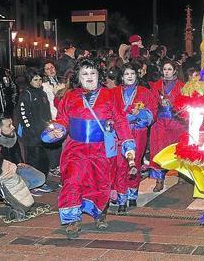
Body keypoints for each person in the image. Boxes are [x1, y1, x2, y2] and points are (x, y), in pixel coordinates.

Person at [42, 59, 136, 239]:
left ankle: (100, 213)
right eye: (85, 74)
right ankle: (72, 219)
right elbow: (62, 120)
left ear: (98, 75)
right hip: (75, 148)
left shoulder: (110, 95)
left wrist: (127, 143)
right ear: (78, 77)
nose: (89, 77)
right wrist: (57, 130)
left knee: (101, 183)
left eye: (92, 73)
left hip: (101, 148)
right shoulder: (69, 96)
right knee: (73, 180)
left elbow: (120, 121)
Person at [112, 63, 157, 213]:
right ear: (121, 77)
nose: (129, 76)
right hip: (119, 134)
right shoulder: (113, 92)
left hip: (138, 133)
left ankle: (132, 195)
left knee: (135, 164)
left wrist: (141, 115)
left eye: (132, 73)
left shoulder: (145, 92)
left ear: (137, 75)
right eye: (126, 74)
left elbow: (152, 113)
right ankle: (121, 198)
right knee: (120, 165)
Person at [149, 60, 186, 192]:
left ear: (175, 70)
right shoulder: (156, 85)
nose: (167, 71)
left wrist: (173, 105)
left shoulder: (182, 86)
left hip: (176, 122)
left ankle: (182, 174)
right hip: (160, 123)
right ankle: (159, 180)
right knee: (158, 150)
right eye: (165, 69)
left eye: (169, 69)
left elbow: (184, 105)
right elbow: (151, 103)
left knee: (178, 150)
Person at [16, 68, 53, 193]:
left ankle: (41, 182)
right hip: (31, 136)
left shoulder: (42, 93)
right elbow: (23, 115)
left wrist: (49, 125)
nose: (38, 82)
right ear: (29, 80)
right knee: (33, 160)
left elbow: (47, 112)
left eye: (40, 79)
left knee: (44, 160)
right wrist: (31, 131)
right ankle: (33, 185)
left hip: (43, 134)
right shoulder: (26, 95)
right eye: (35, 79)